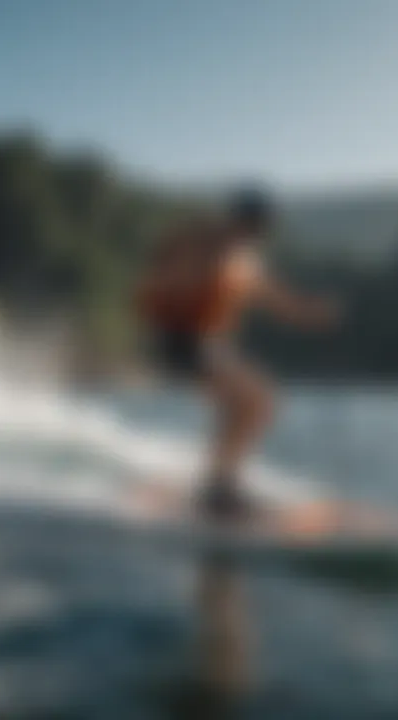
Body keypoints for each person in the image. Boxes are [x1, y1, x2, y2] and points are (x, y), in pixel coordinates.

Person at [135, 187, 339, 519]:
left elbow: (273, 297)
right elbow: (167, 276)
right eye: (251, 225)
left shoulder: (242, 258)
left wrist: (310, 314)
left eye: (259, 228)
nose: (254, 233)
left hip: (206, 345)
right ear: (238, 220)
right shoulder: (206, 245)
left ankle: (218, 483)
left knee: (253, 404)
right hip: (181, 341)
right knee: (254, 399)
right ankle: (218, 488)